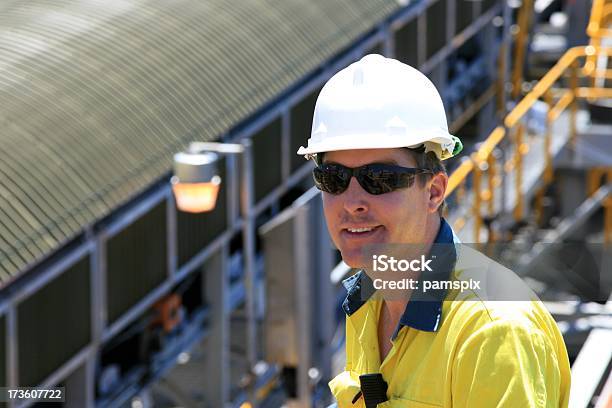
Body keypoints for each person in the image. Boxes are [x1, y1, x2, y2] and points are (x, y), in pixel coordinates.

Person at [297, 54, 571, 407]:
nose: (352, 203)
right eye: (333, 179)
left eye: (379, 179)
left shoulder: (494, 331)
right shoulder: (367, 301)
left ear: (434, 192)